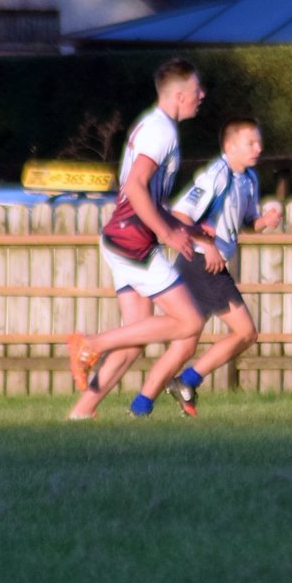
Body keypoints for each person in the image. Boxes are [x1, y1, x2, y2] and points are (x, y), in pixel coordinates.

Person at [66, 59, 205, 420]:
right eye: (196, 90)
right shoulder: (161, 131)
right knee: (190, 322)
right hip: (134, 243)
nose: (202, 95)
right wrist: (167, 233)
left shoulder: (153, 124)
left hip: (121, 236)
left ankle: (80, 414)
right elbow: (135, 186)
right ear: (179, 95)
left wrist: (183, 228)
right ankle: (90, 344)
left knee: (133, 339)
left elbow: (146, 197)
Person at [149, 117, 283, 417]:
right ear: (230, 146)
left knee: (185, 343)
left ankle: (140, 406)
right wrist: (208, 245)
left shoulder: (249, 178)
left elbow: (247, 223)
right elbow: (181, 216)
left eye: (259, 142)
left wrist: (266, 220)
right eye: (251, 143)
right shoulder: (216, 176)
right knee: (246, 333)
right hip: (201, 263)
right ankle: (187, 381)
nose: (258, 148)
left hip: (204, 263)